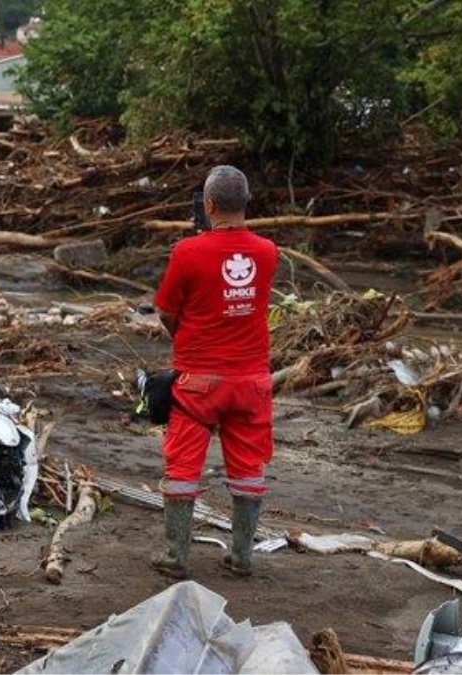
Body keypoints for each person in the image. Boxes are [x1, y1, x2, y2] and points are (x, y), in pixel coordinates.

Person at [151, 165, 279, 579]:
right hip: (251, 382)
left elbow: (167, 311)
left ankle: (176, 557)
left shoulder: (187, 252)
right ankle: (242, 556)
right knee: (248, 469)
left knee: (183, 469)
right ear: (246, 203)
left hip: (198, 382)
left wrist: (184, 336)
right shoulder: (267, 252)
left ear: (207, 205)